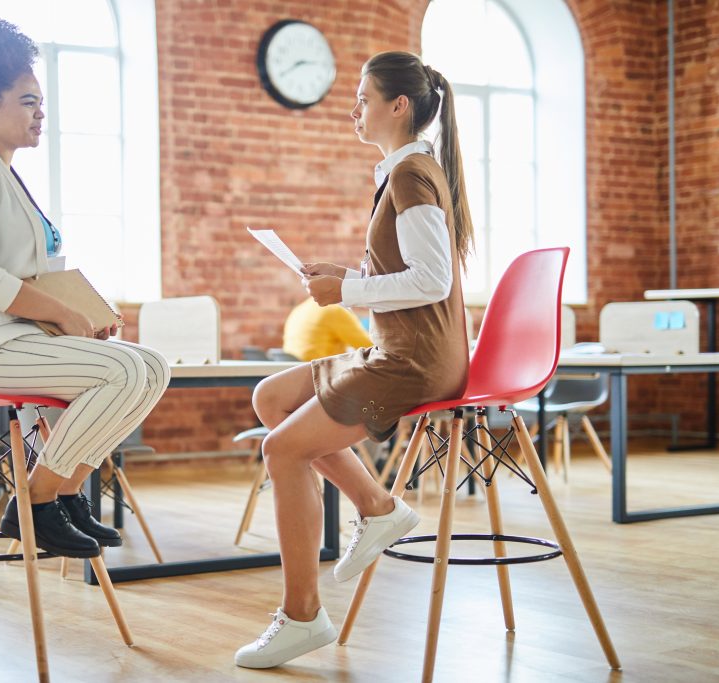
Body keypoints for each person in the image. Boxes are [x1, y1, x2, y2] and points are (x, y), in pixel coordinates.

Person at [235, 52, 474, 669]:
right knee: (270, 397)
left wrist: (349, 290)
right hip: (397, 349)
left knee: (281, 448)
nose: (354, 109)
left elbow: (431, 278)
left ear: (399, 106)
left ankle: (302, 615)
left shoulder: (411, 174)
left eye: (364, 98)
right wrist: (350, 276)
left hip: (414, 360)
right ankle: (378, 507)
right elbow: (408, 272)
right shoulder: (404, 171)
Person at [0, 16, 170, 559]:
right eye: (28, 101)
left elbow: (29, 274)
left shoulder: (2, 170)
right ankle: (34, 502)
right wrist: (62, 314)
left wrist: (80, 312)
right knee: (126, 370)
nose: (41, 112)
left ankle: (65, 493)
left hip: (7, 339)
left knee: (152, 367)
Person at [282, 297, 372, 362]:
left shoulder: (300, 309)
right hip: (318, 373)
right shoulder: (333, 311)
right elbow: (370, 347)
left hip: (294, 370)